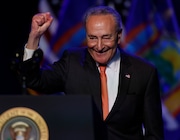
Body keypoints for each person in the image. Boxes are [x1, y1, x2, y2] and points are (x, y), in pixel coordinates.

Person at [16, 5, 164, 140]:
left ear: (119, 36)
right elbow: (34, 81)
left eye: (106, 37)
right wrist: (34, 37)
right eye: (92, 38)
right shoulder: (72, 62)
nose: (99, 46)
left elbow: (154, 134)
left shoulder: (144, 72)